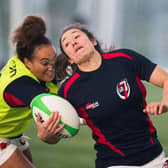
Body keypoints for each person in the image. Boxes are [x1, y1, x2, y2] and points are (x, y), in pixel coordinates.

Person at [56, 24, 168, 168]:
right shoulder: (68, 90)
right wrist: (45, 134)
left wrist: (165, 103)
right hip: (114, 163)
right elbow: (55, 134)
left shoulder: (125, 59)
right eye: (67, 44)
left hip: (155, 156)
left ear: (93, 41)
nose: (73, 42)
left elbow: (165, 79)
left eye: (77, 36)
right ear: (70, 59)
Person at [0, 15, 64, 168]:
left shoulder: (29, 58)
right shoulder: (20, 85)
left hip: (13, 134)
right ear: (27, 62)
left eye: (53, 59)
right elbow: (51, 110)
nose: (52, 66)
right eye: (45, 63)